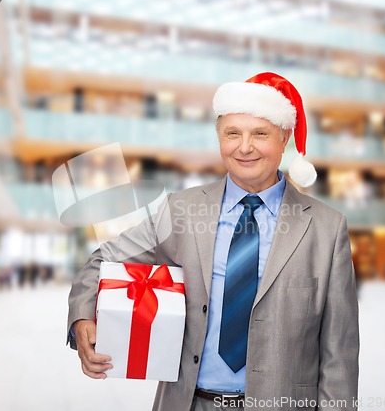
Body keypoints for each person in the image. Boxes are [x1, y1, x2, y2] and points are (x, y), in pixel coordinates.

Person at [67, 72, 359, 411]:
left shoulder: (327, 228)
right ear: (219, 137)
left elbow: (339, 354)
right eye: (232, 133)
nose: (245, 147)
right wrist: (83, 318)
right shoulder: (182, 210)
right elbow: (104, 258)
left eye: (260, 134)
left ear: (284, 138)